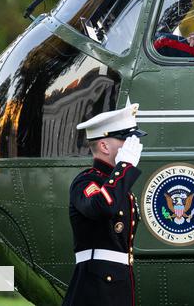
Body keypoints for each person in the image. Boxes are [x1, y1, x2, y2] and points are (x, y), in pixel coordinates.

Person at [62, 101, 146, 306]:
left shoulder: (116, 185)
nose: (131, 145)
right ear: (104, 145)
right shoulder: (87, 182)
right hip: (95, 289)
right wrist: (124, 167)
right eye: (124, 139)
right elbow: (101, 207)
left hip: (117, 285)